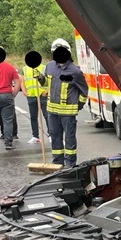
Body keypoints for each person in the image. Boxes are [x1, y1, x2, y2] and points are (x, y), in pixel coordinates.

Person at [45, 38, 88, 167]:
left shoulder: (75, 72)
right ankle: (57, 162)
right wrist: (40, 78)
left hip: (68, 113)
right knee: (55, 136)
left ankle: (70, 164)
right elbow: (46, 84)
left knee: (69, 139)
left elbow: (84, 91)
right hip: (52, 111)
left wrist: (78, 105)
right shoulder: (49, 67)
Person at [21, 52, 48, 144]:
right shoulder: (25, 69)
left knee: (47, 116)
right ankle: (35, 136)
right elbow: (22, 81)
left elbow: (49, 80)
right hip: (31, 95)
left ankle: (51, 135)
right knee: (33, 117)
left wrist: (46, 91)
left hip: (42, 95)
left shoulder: (44, 67)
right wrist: (24, 91)